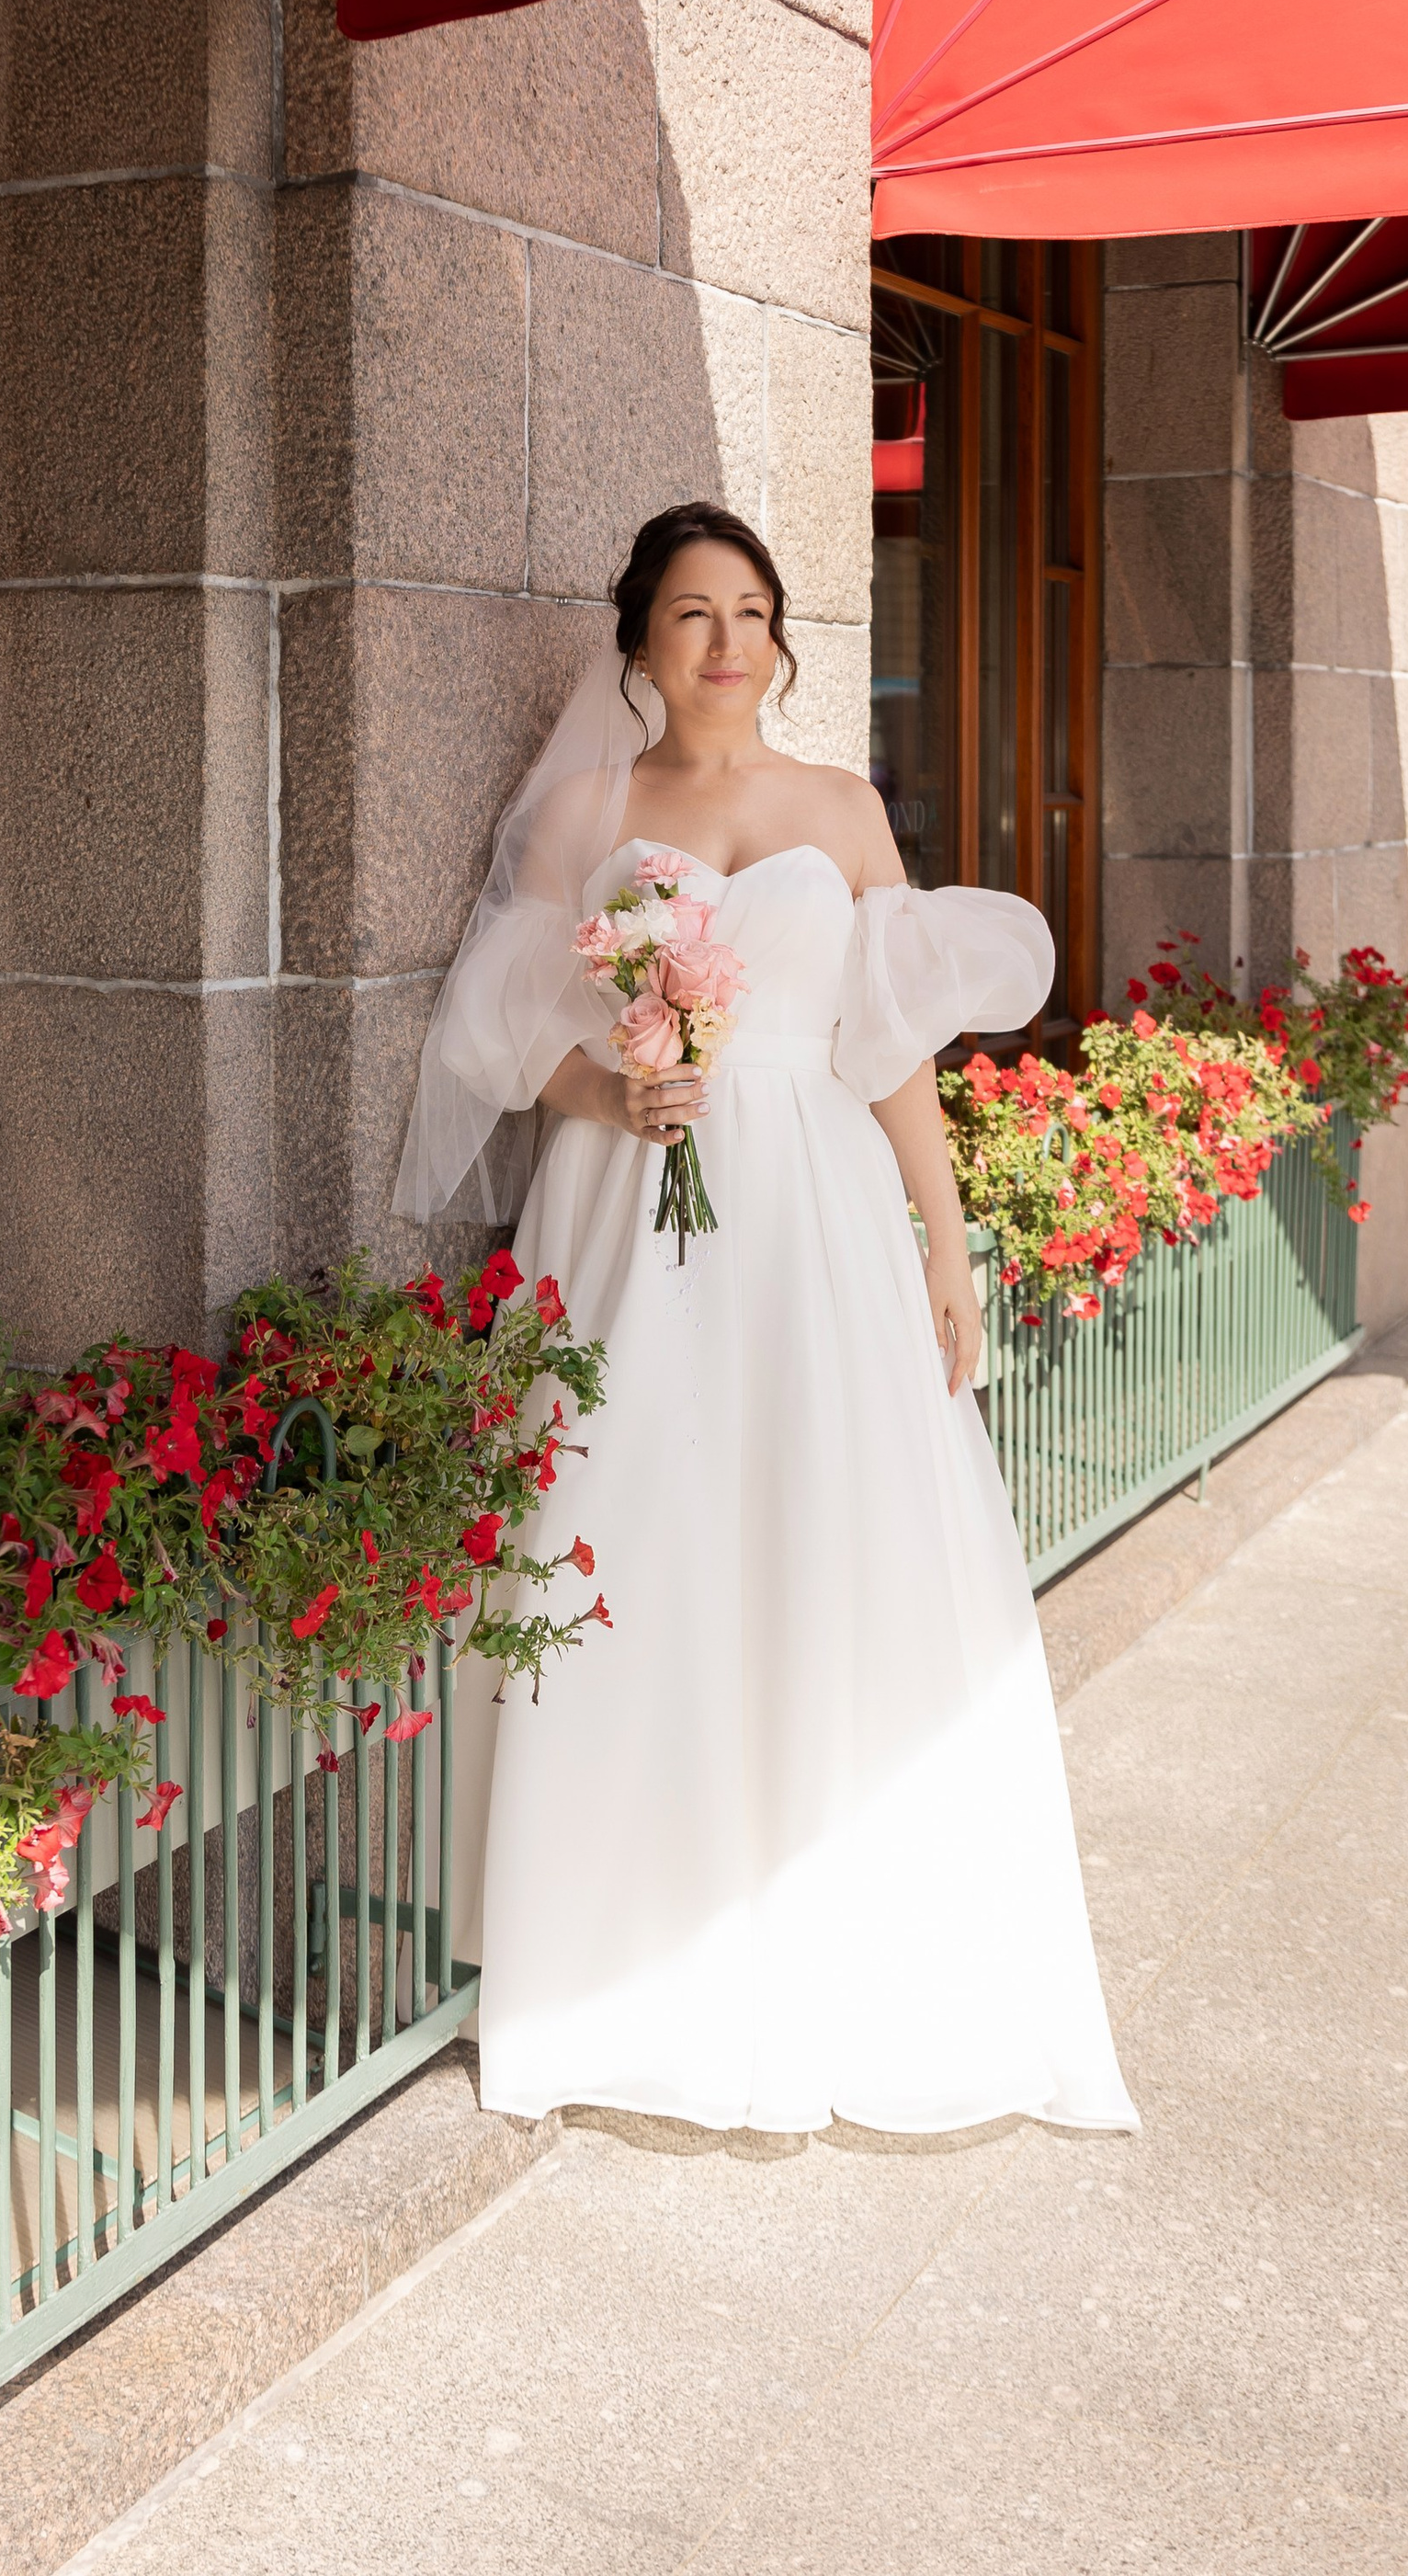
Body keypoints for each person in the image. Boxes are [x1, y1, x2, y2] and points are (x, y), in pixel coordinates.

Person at [399, 502, 1135, 2139]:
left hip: (810, 1210)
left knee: (816, 1532)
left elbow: (886, 1047)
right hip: (621, 1198)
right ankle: (603, 1952)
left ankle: (828, 1941)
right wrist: (614, 1079)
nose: (724, 641)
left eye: (748, 610)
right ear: (640, 646)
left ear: (780, 639)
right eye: (688, 614)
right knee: (620, 1529)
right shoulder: (587, 807)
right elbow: (499, 1031)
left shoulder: (839, 803)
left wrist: (944, 1247)